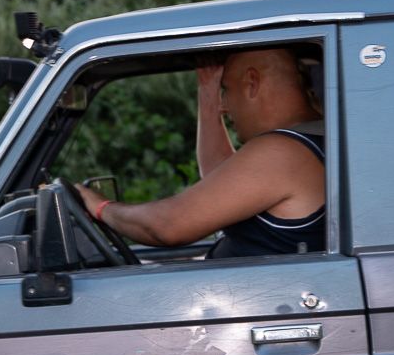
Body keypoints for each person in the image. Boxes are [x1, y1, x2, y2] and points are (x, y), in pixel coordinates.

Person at [74, 48, 325, 258]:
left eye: (226, 90)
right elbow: (220, 177)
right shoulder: (313, 140)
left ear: (252, 83)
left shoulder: (284, 151)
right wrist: (208, 93)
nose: (224, 107)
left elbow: (168, 226)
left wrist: (100, 207)